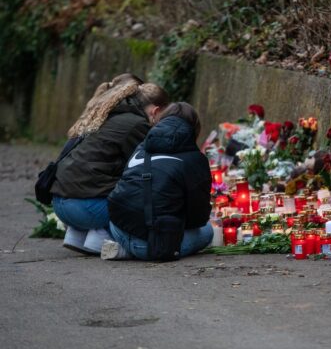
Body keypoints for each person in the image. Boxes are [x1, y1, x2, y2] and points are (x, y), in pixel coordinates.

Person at [51, 74, 170, 254]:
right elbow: (147, 171)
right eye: (164, 116)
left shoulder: (106, 116)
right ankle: (101, 236)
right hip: (85, 208)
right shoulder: (137, 125)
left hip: (60, 204)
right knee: (143, 200)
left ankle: (78, 235)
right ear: (155, 111)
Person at [105, 102, 213, 260]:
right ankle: (137, 251)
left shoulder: (142, 147)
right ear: (195, 128)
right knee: (208, 231)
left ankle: (127, 248)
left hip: (118, 229)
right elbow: (198, 218)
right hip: (156, 245)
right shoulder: (196, 160)